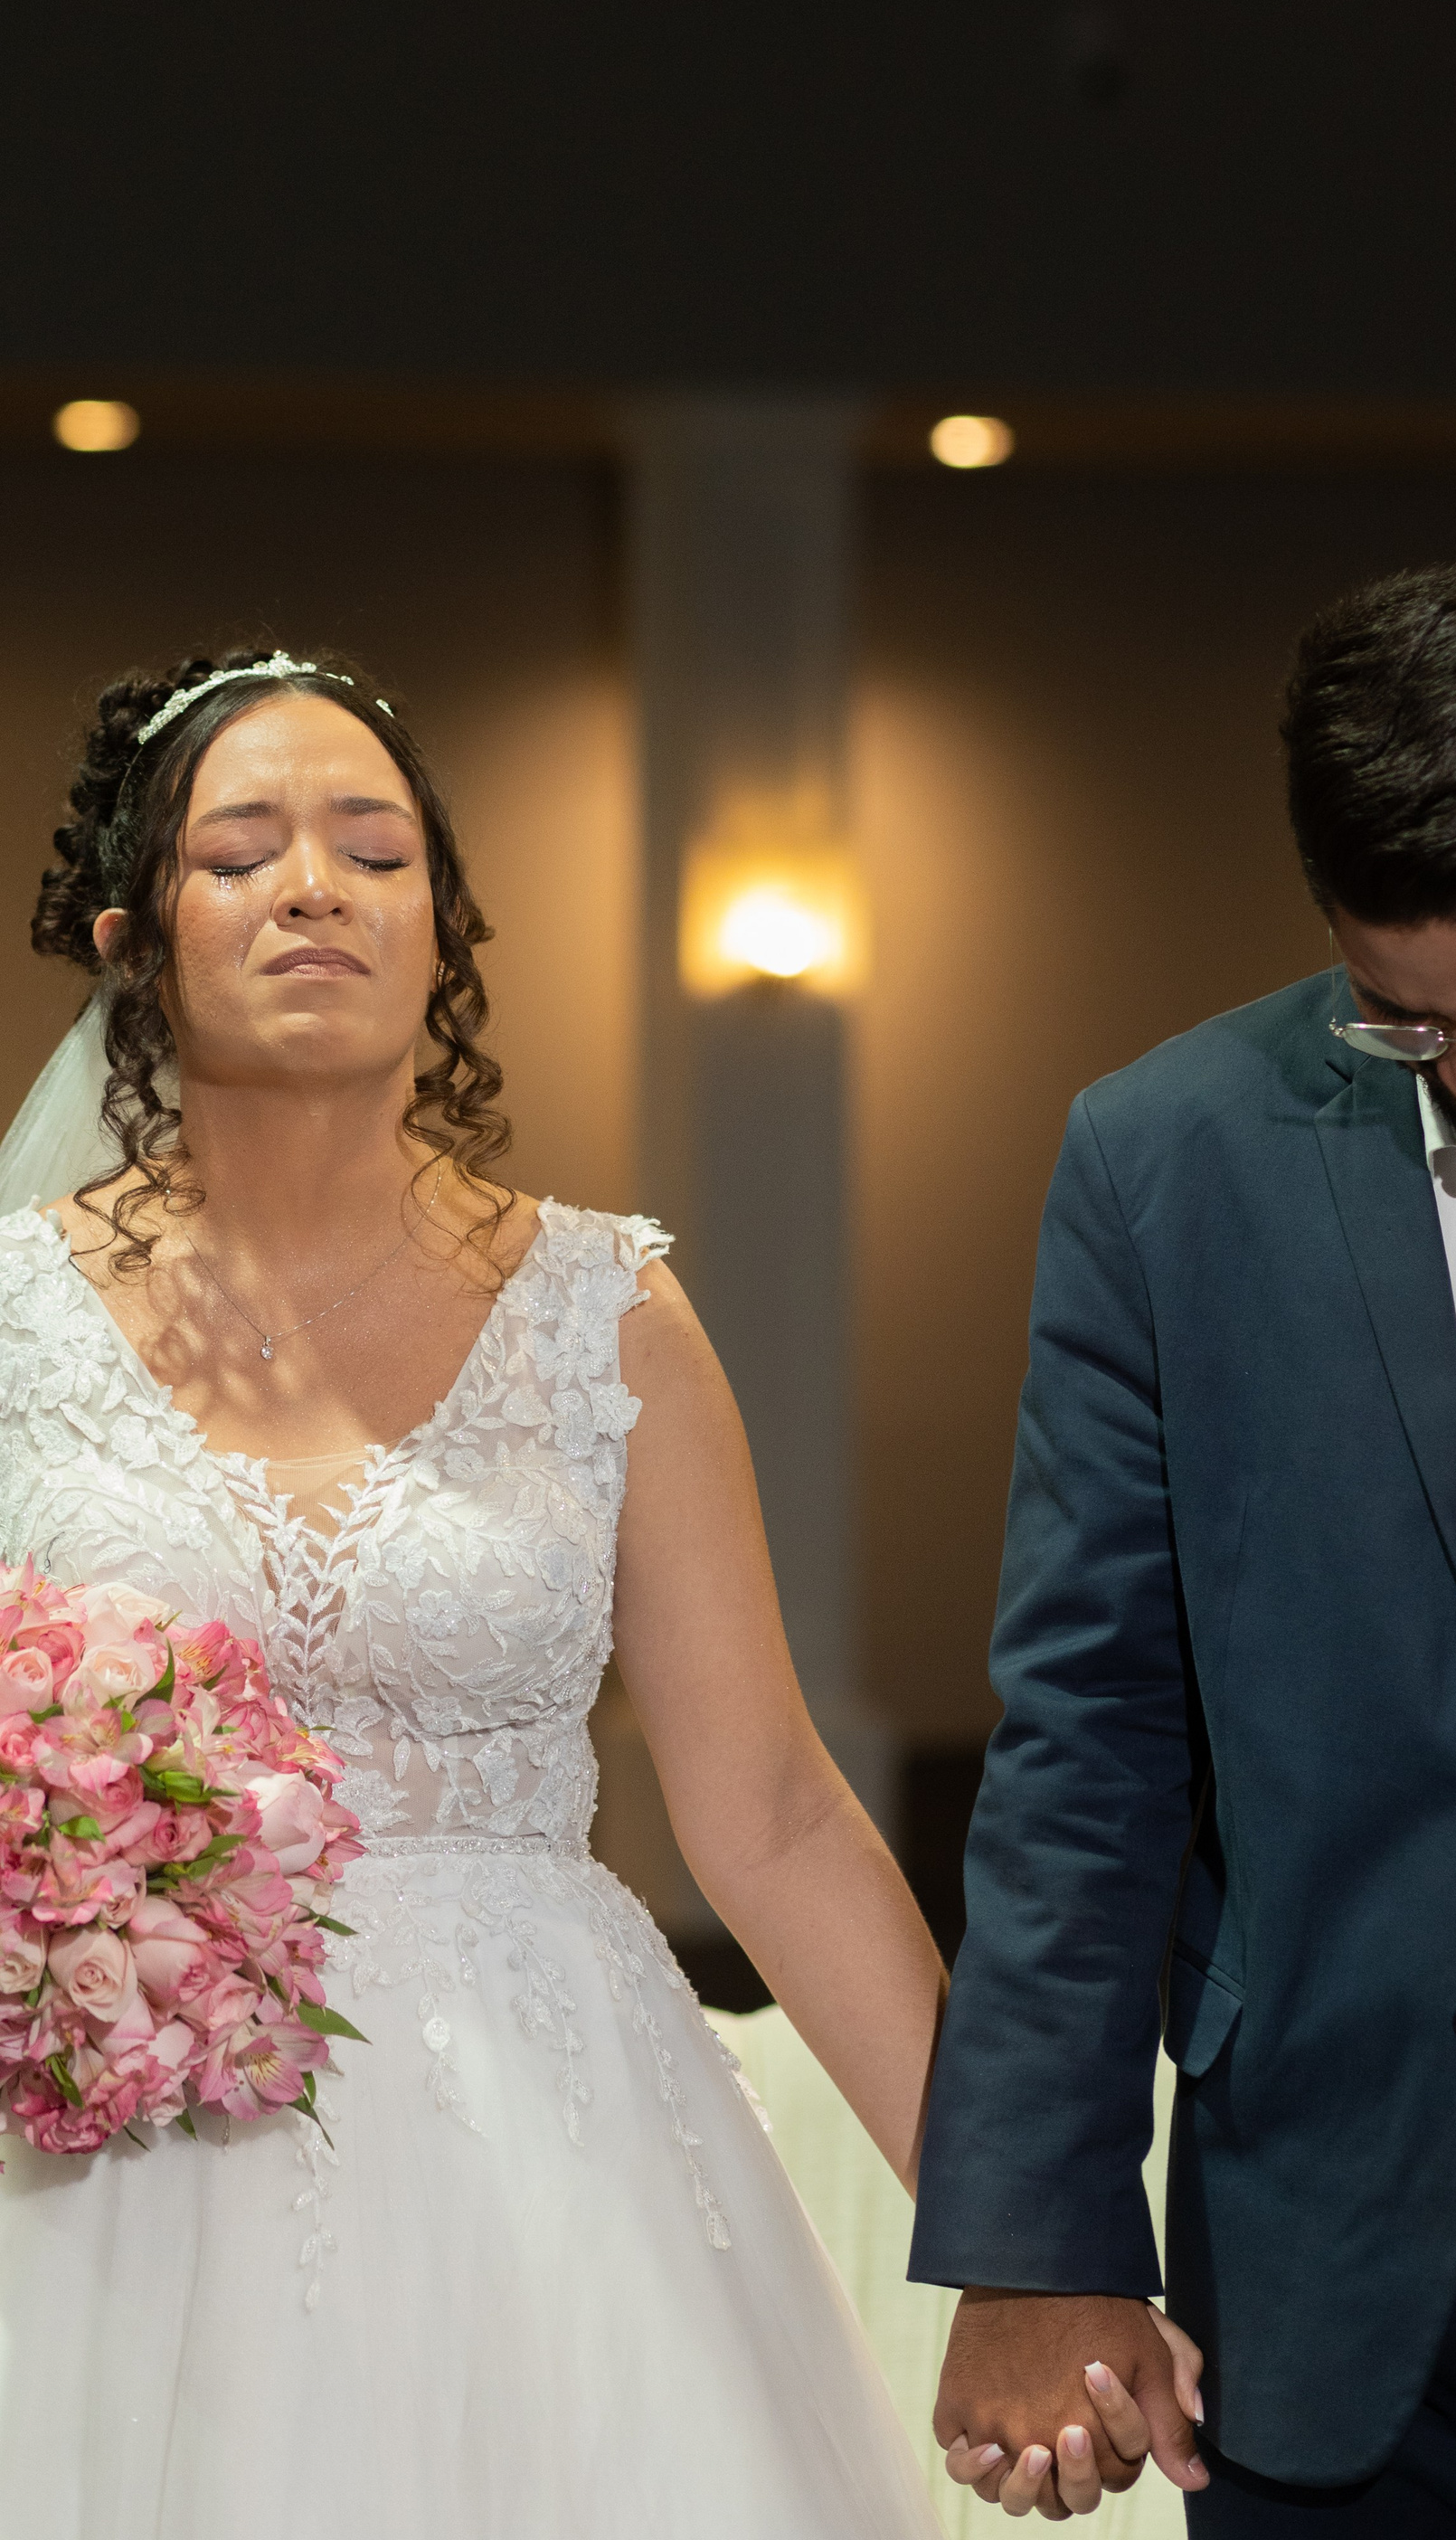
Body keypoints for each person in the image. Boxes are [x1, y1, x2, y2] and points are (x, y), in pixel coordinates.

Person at [0, 648, 949, 2538]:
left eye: (375, 852)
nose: (315, 890)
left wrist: (1026, 2237)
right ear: (133, 942)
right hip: (114, 2166)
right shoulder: (15, 1315)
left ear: (440, 930)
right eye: (240, 855)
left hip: (549, 2158)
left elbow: (771, 1815)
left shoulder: (611, 1312)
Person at [912, 565, 1456, 2531]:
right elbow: (1092, 1730)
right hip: (1321, 2232)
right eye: (1403, 1017)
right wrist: (1036, 2241)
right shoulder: (1164, 1158)